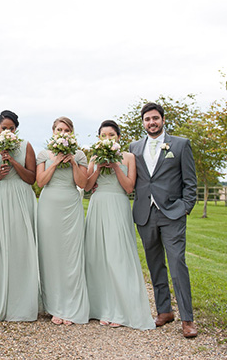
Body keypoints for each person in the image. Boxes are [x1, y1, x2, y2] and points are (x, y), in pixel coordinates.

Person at [129, 103, 198, 338]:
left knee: (178, 264)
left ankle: (187, 319)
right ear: (143, 122)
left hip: (172, 214)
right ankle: (164, 311)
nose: (151, 122)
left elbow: (190, 182)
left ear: (163, 119)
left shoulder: (180, 144)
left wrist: (185, 208)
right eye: (147, 119)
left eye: (155, 118)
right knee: (155, 264)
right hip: (144, 215)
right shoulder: (134, 148)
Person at [84, 120, 155, 330]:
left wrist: (115, 166)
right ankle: (101, 308)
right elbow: (87, 186)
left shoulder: (129, 157)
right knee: (98, 256)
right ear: (99, 138)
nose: (107, 139)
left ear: (118, 138)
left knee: (118, 255)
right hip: (98, 205)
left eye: (111, 135)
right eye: (104, 136)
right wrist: (98, 169)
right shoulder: (94, 157)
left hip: (118, 204)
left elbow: (128, 187)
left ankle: (121, 308)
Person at [0, 110, 39, 322]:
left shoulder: (26, 146)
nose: (8, 131)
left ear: (16, 129)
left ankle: (25, 303)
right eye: (4, 128)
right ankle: (3, 301)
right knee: (0, 246)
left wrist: (12, 162)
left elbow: (31, 179)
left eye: (11, 128)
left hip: (21, 197)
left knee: (22, 247)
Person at [35, 116, 89, 325]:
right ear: (53, 132)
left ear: (72, 132)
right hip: (49, 207)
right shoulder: (43, 154)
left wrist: (73, 161)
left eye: (66, 130)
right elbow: (40, 182)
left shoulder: (80, 155)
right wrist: (56, 162)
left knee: (71, 255)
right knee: (51, 255)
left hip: (71, 205)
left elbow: (82, 183)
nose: (63, 133)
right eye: (59, 130)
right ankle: (54, 305)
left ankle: (72, 305)